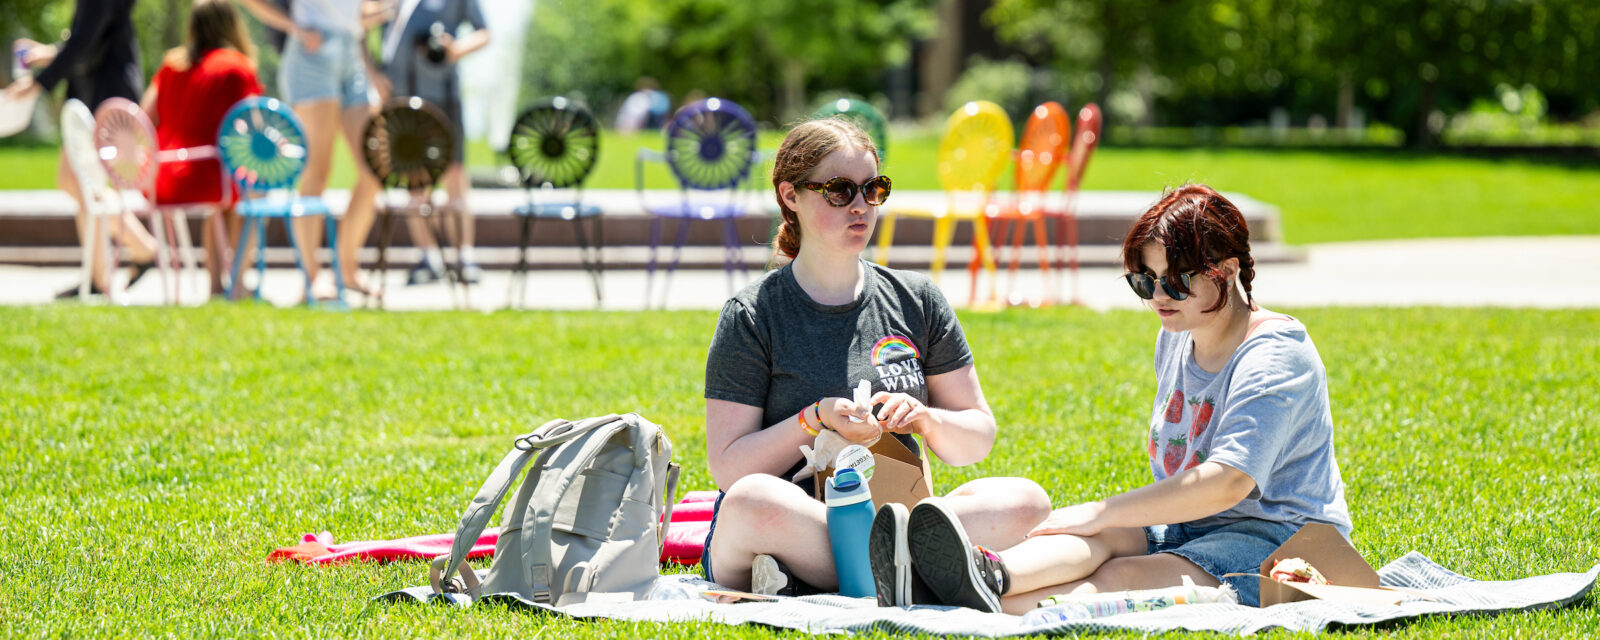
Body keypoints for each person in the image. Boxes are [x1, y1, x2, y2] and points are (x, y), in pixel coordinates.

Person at [891, 184, 1352, 613]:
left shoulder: (1275, 355)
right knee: (1094, 535)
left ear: (1227, 271)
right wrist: (1097, 520)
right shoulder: (1178, 332)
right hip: (1190, 525)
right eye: (1143, 280)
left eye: (1174, 282)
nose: (1157, 297)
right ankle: (989, 573)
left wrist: (1099, 510)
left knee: (1124, 571)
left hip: (1282, 542)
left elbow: (1227, 483)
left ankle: (973, 603)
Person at [701, 118, 1051, 604]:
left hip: (895, 511)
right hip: (802, 521)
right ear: (790, 195)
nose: (861, 206)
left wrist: (926, 419)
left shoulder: (918, 300)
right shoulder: (754, 314)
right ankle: (910, 569)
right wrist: (813, 419)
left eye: (873, 189)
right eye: (840, 191)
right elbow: (729, 469)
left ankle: (855, 572)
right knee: (750, 502)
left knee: (1027, 501)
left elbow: (976, 437)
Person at [235, 0, 390, 300]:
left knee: (376, 167)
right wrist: (294, 26)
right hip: (312, 55)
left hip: (352, 54)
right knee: (317, 174)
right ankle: (312, 278)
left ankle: (346, 270)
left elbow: (356, 15)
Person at [5, 0, 161, 298]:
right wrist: (49, 54)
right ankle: (107, 269)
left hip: (106, 96)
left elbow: (85, 41)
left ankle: (128, 257)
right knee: (76, 181)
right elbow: (92, 39)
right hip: (94, 94)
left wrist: (39, 83)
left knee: (81, 182)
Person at [143, 0, 265, 296]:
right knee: (250, 191)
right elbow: (255, 126)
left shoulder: (171, 65)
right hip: (211, 175)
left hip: (163, 179)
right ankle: (236, 282)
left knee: (222, 201)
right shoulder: (237, 66)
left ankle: (213, 286)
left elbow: (143, 118)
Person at [371, 0, 490, 285]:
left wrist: (456, 48)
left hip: (445, 93)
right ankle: (429, 257)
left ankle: (464, 257)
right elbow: (359, 29)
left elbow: (484, 32)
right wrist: (373, 73)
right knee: (414, 177)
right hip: (402, 95)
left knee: (455, 174)